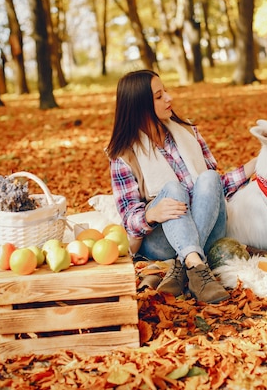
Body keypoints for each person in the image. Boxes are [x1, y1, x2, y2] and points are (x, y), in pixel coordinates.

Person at [106, 70, 256, 304]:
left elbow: (215, 188)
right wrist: (151, 214)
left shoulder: (187, 131)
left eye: (165, 91)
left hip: (207, 229)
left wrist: (256, 164)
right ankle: (195, 265)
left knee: (208, 177)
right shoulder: (124, 157)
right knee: (174, 189)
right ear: (139, 105)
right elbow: (129, 220)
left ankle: (186, 261)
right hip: (162, 240)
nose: (169, 98)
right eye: (159, 96)